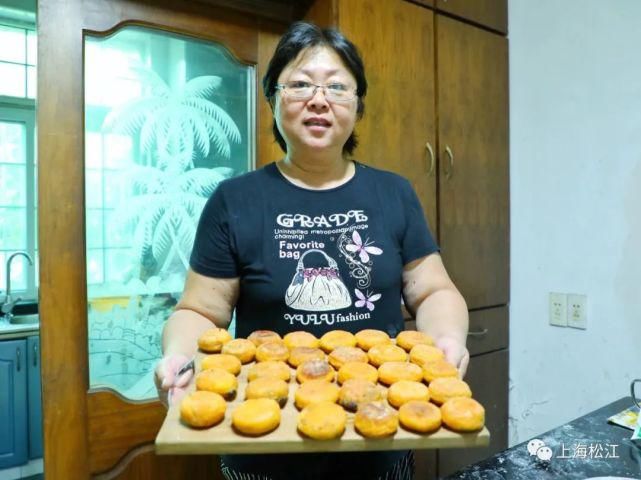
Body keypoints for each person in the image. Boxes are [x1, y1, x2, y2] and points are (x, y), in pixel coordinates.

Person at [155, 21, 470, 480]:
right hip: (263, 447)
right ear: (273, 98)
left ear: (358, 105)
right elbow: (201, 312)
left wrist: (447, 341)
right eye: (300, 84)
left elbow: (433, 291)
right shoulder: (235, 199)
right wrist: (179, 358)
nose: (319, 99)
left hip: (378, 439)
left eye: (338, 87)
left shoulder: (393, 193)